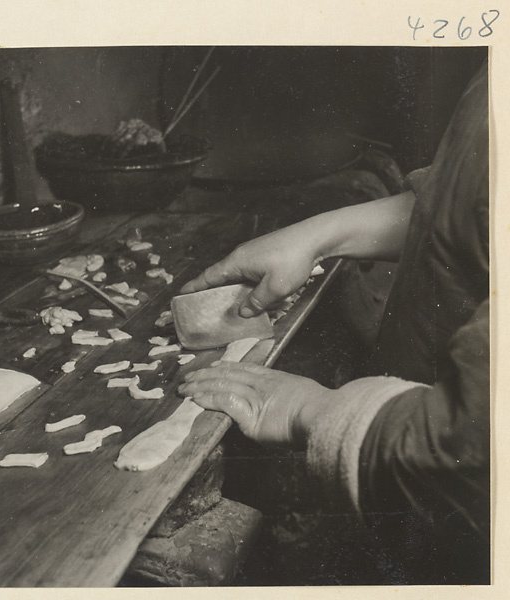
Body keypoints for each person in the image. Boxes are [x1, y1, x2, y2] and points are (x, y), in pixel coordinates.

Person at [177, 62, 489, 584]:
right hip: (398, 464)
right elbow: (475, 202)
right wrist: (320, 236)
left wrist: (311, 409)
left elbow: (476, 447)